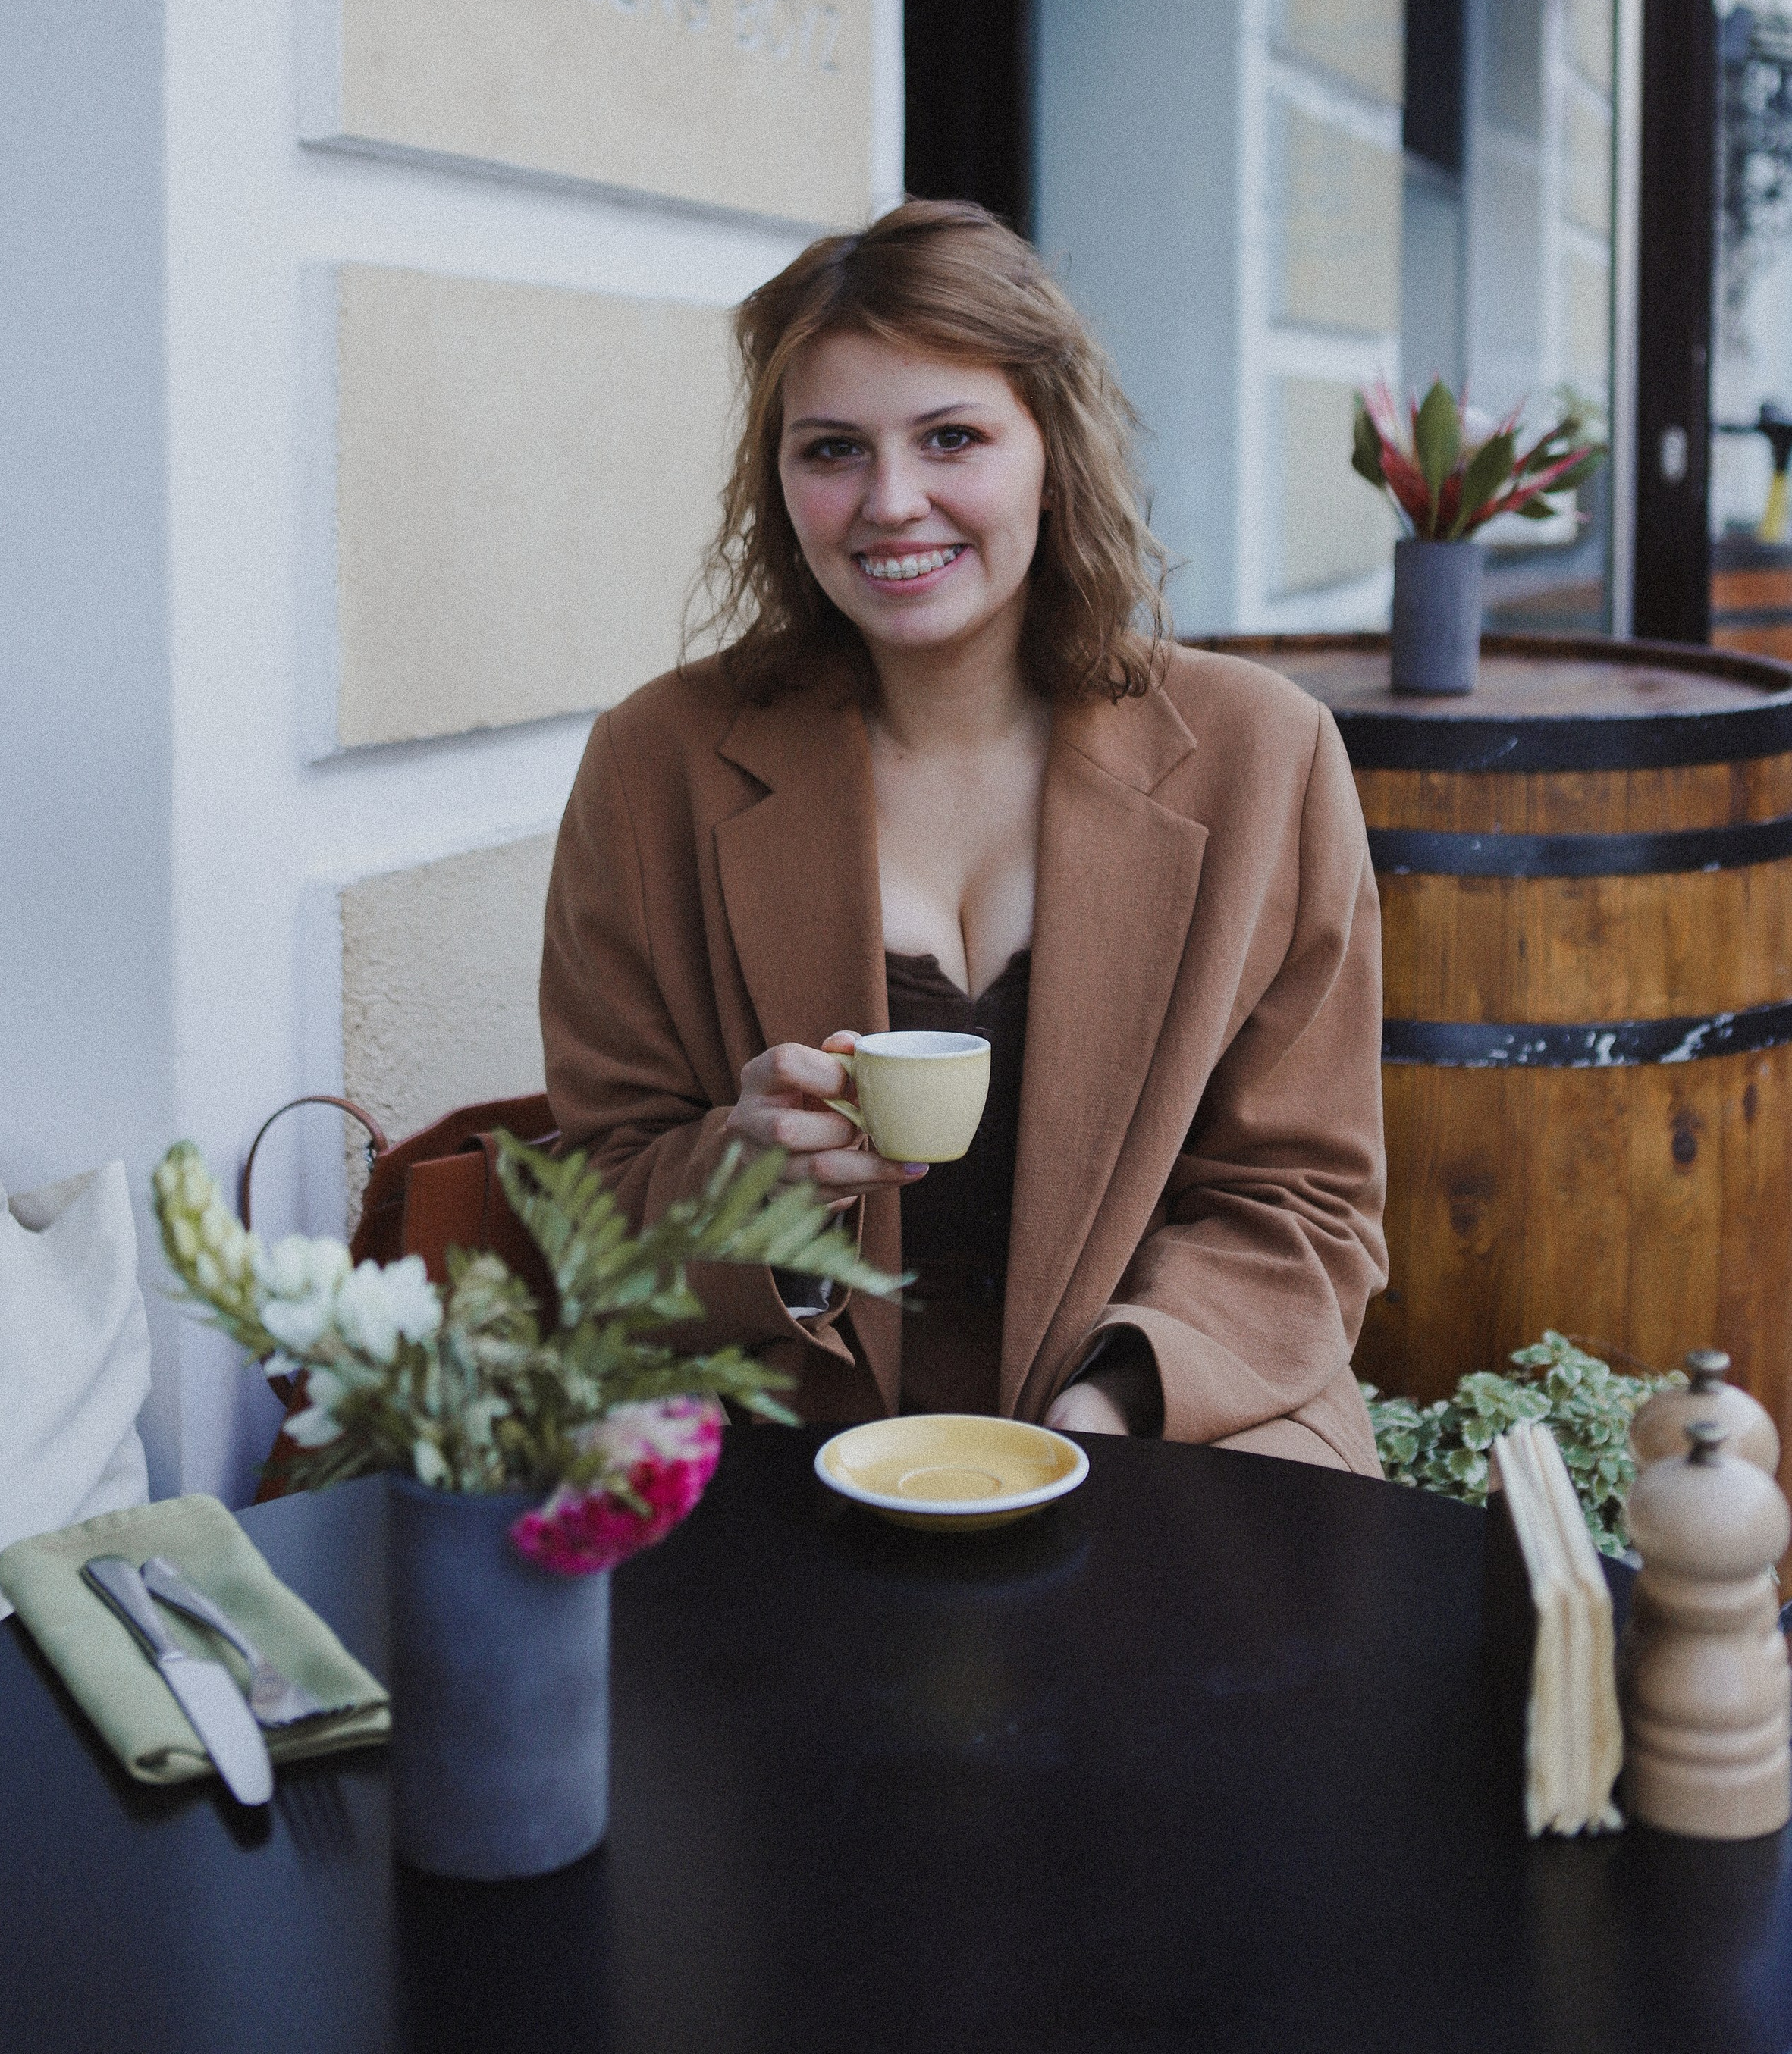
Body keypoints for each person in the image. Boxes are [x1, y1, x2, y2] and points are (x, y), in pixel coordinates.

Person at [540, 201, 1387, 1469]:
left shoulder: (1264, 754)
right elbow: (594, 1195)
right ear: (778, 480)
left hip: (1173, 1415)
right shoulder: (653, 763)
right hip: (778, 1412)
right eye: (833, 450)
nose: (893, 502)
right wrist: (744, 1174)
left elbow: (1305, 1204)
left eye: (952, 438)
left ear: (1053, 450)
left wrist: (1105, 1415)